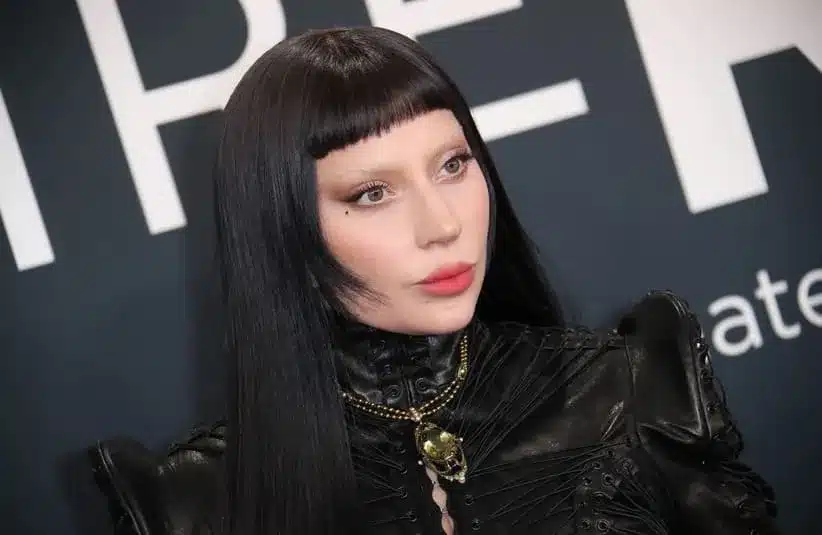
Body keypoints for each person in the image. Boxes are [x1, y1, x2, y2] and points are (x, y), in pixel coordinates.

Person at [88, 26, 780, 535]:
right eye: (372, 193)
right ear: (282, 230)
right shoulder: (197, 501)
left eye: (453, 165)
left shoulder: (629, 390)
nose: (443, 224)